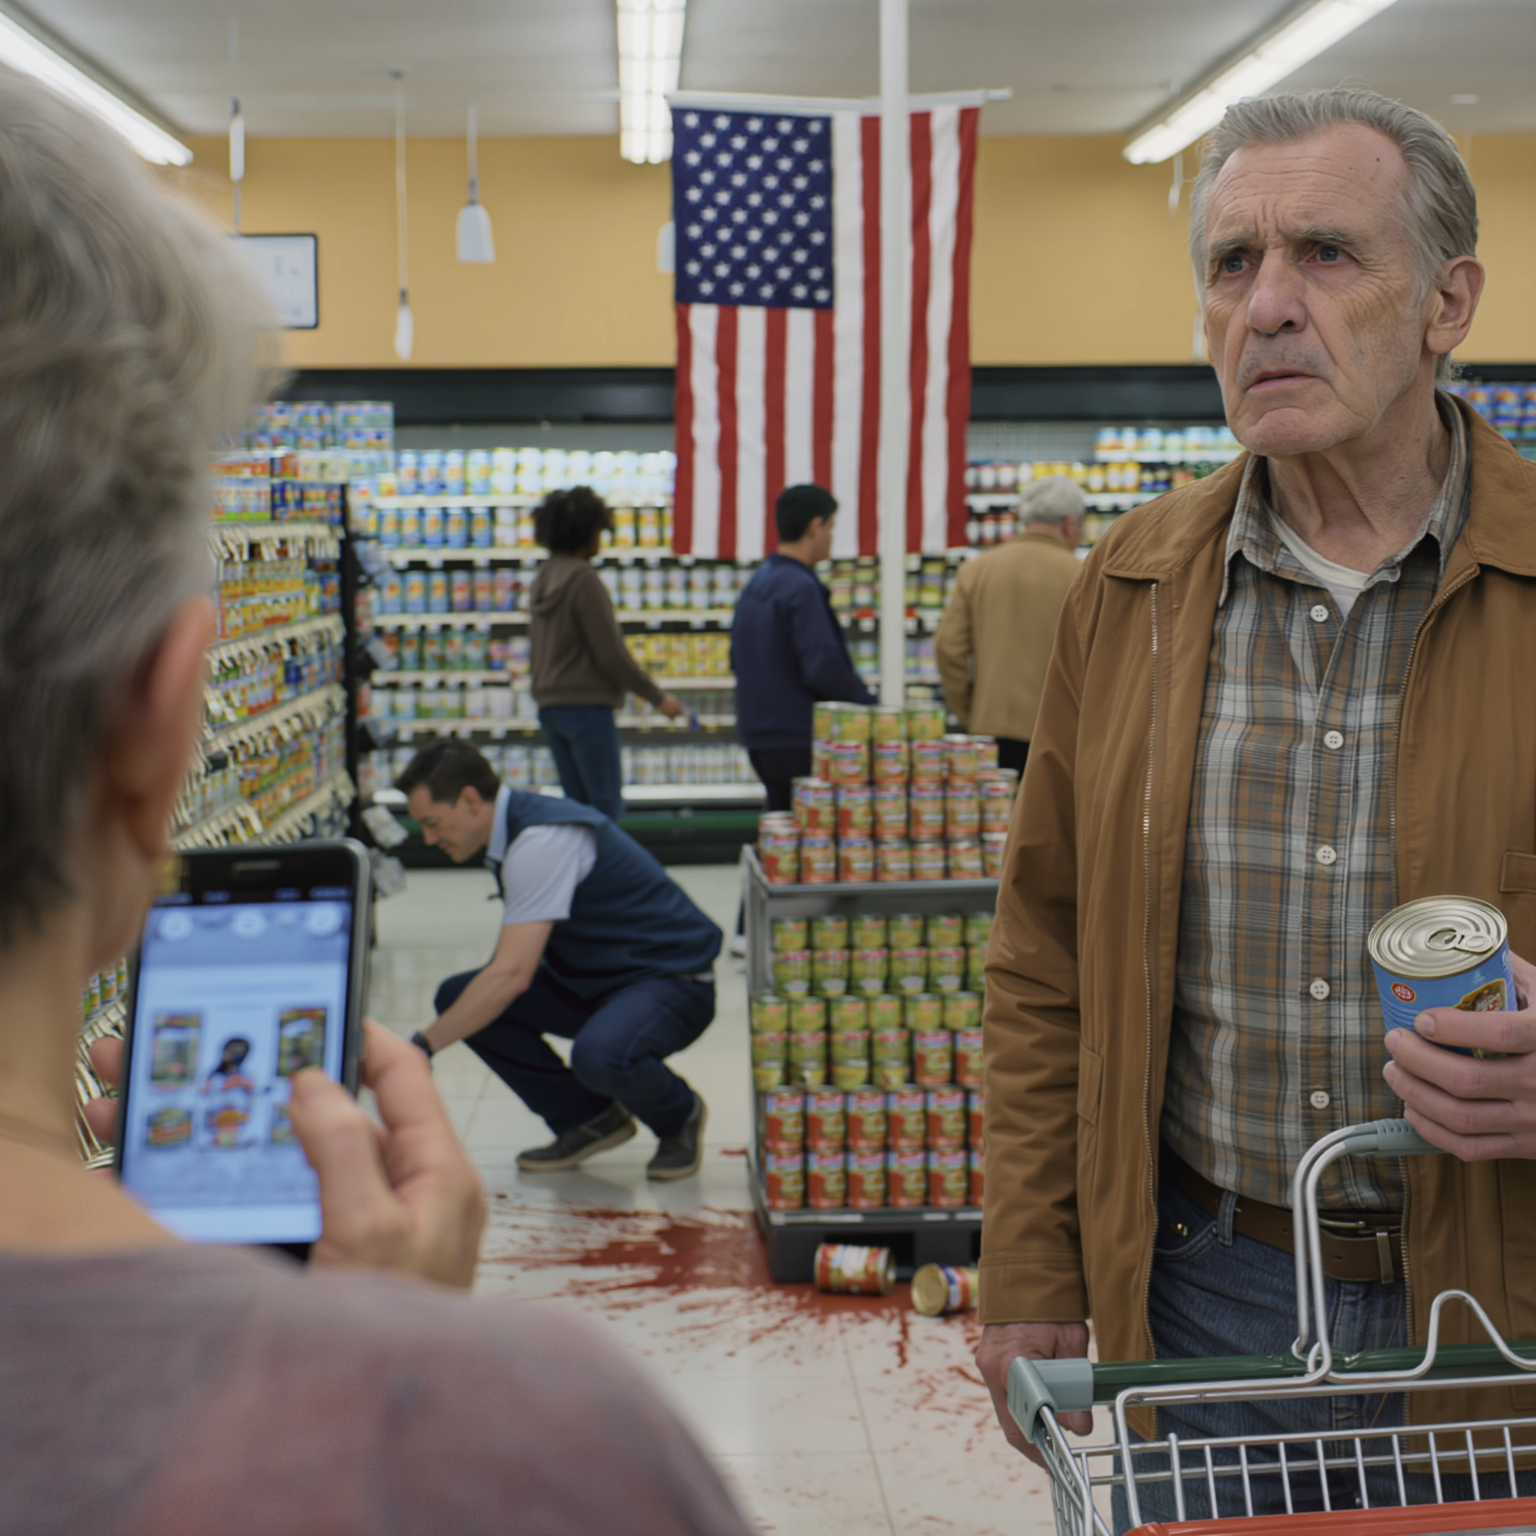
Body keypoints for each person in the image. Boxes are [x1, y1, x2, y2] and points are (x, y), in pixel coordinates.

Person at [0, 69, 754, 1535]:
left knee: (541, 1002)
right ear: (162, 737)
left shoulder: (549, 817)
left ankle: (631, 1107)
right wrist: (373, 1383)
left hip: (655, 983)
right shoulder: (524, 1453)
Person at [975, 87, 1536, 1519]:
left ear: (1448, 302)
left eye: (1327, 255)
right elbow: (1045, 957)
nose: (1267, 307)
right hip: (1205, 1297)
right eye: (1232, 264)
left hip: (1512, 1299)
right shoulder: (1135, 584)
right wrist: (1035, 1264)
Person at [399, 741, 721, 1179]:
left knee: (601, 1055)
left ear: (471, 800)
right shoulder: (516, 831)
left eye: (432, 823)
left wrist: (418, 1049)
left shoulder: (540, 841)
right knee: (458, 997)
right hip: (600, 978)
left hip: (672, 980)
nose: (429, 838)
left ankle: (678, 1114)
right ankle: (587, 1119)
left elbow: (511, 975)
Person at [528, 485, 687, 822]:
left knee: (577, 807)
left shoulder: (543, 577)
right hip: (587, 709)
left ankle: (582, 873)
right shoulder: (582, 578)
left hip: (550, 709)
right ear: (587, 533)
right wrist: (656, 697)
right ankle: (606, 874)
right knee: (605, 808)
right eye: (600, 531)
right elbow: (610, 652)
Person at [730, 483, 877, 811]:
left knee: (786, 834)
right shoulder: (801, 587)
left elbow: (736, 658)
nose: (830, 537)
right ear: (815, 526)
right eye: (831, 527)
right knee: (819, 837)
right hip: (798, 736)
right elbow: (823, 666)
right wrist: (868, 707)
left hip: (759, 737)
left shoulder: (757, 583)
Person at [934, 476, 1084, 776]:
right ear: (1069, 524)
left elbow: (948, 647)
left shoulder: (977, 569)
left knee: (996, 817)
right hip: (1063, 730)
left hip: (991, 725)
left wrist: (971, 709)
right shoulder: (1081, 574)